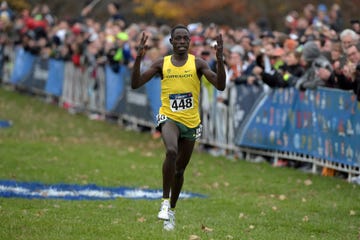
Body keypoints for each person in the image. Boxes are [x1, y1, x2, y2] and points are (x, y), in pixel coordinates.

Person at [131, 24, 226, 231]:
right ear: (171, 42)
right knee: (171, 151)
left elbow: (220, 85)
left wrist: (219, 60)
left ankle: (172, 211)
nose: (182, 42)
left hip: (191, 122)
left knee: (180, 171)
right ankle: (164, 202)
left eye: (185, 38)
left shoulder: (198, 64)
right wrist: (138, 58)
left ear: (189, 41)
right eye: (178, 38)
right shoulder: (162, 64)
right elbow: (136, 83)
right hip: (169, 117)